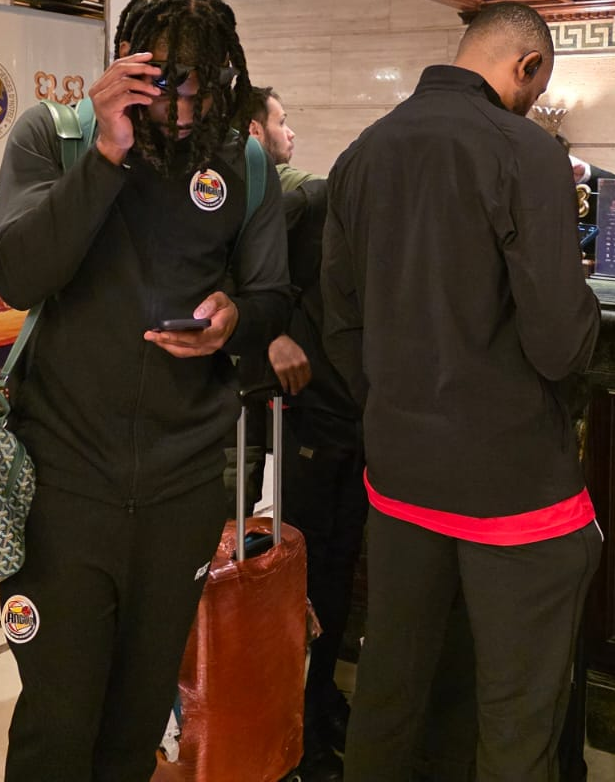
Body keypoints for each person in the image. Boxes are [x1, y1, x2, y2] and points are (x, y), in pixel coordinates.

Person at [0, 0, 289, 782]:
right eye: (167, 87)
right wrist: (106, 156)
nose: (185, 113)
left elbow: (272, 296)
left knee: (135, 726)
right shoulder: (53, 137)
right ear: (128, 64)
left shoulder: (244, 162)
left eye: (204, 90)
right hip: (60, 488)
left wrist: (234, 319)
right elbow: (18, 274)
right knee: (58, 722)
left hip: (181, 490)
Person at [323, 1, 601, 781]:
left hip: (400, 478)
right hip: (513, 488)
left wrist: (395, 410)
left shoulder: (362, 153)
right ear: (527, 67)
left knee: (390, 695)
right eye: (535, 89)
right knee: (515, 715)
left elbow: (341, 326)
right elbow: (560, 343)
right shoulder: (526, 150)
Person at [241, 84, 362, 782]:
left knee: (339, 576)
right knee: (306, 581)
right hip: (307, 417)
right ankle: (300, 730)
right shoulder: (307, 203)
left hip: (357, 421)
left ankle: (320, 705)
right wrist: (274, 337)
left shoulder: (381, 224)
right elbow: (246, 281)